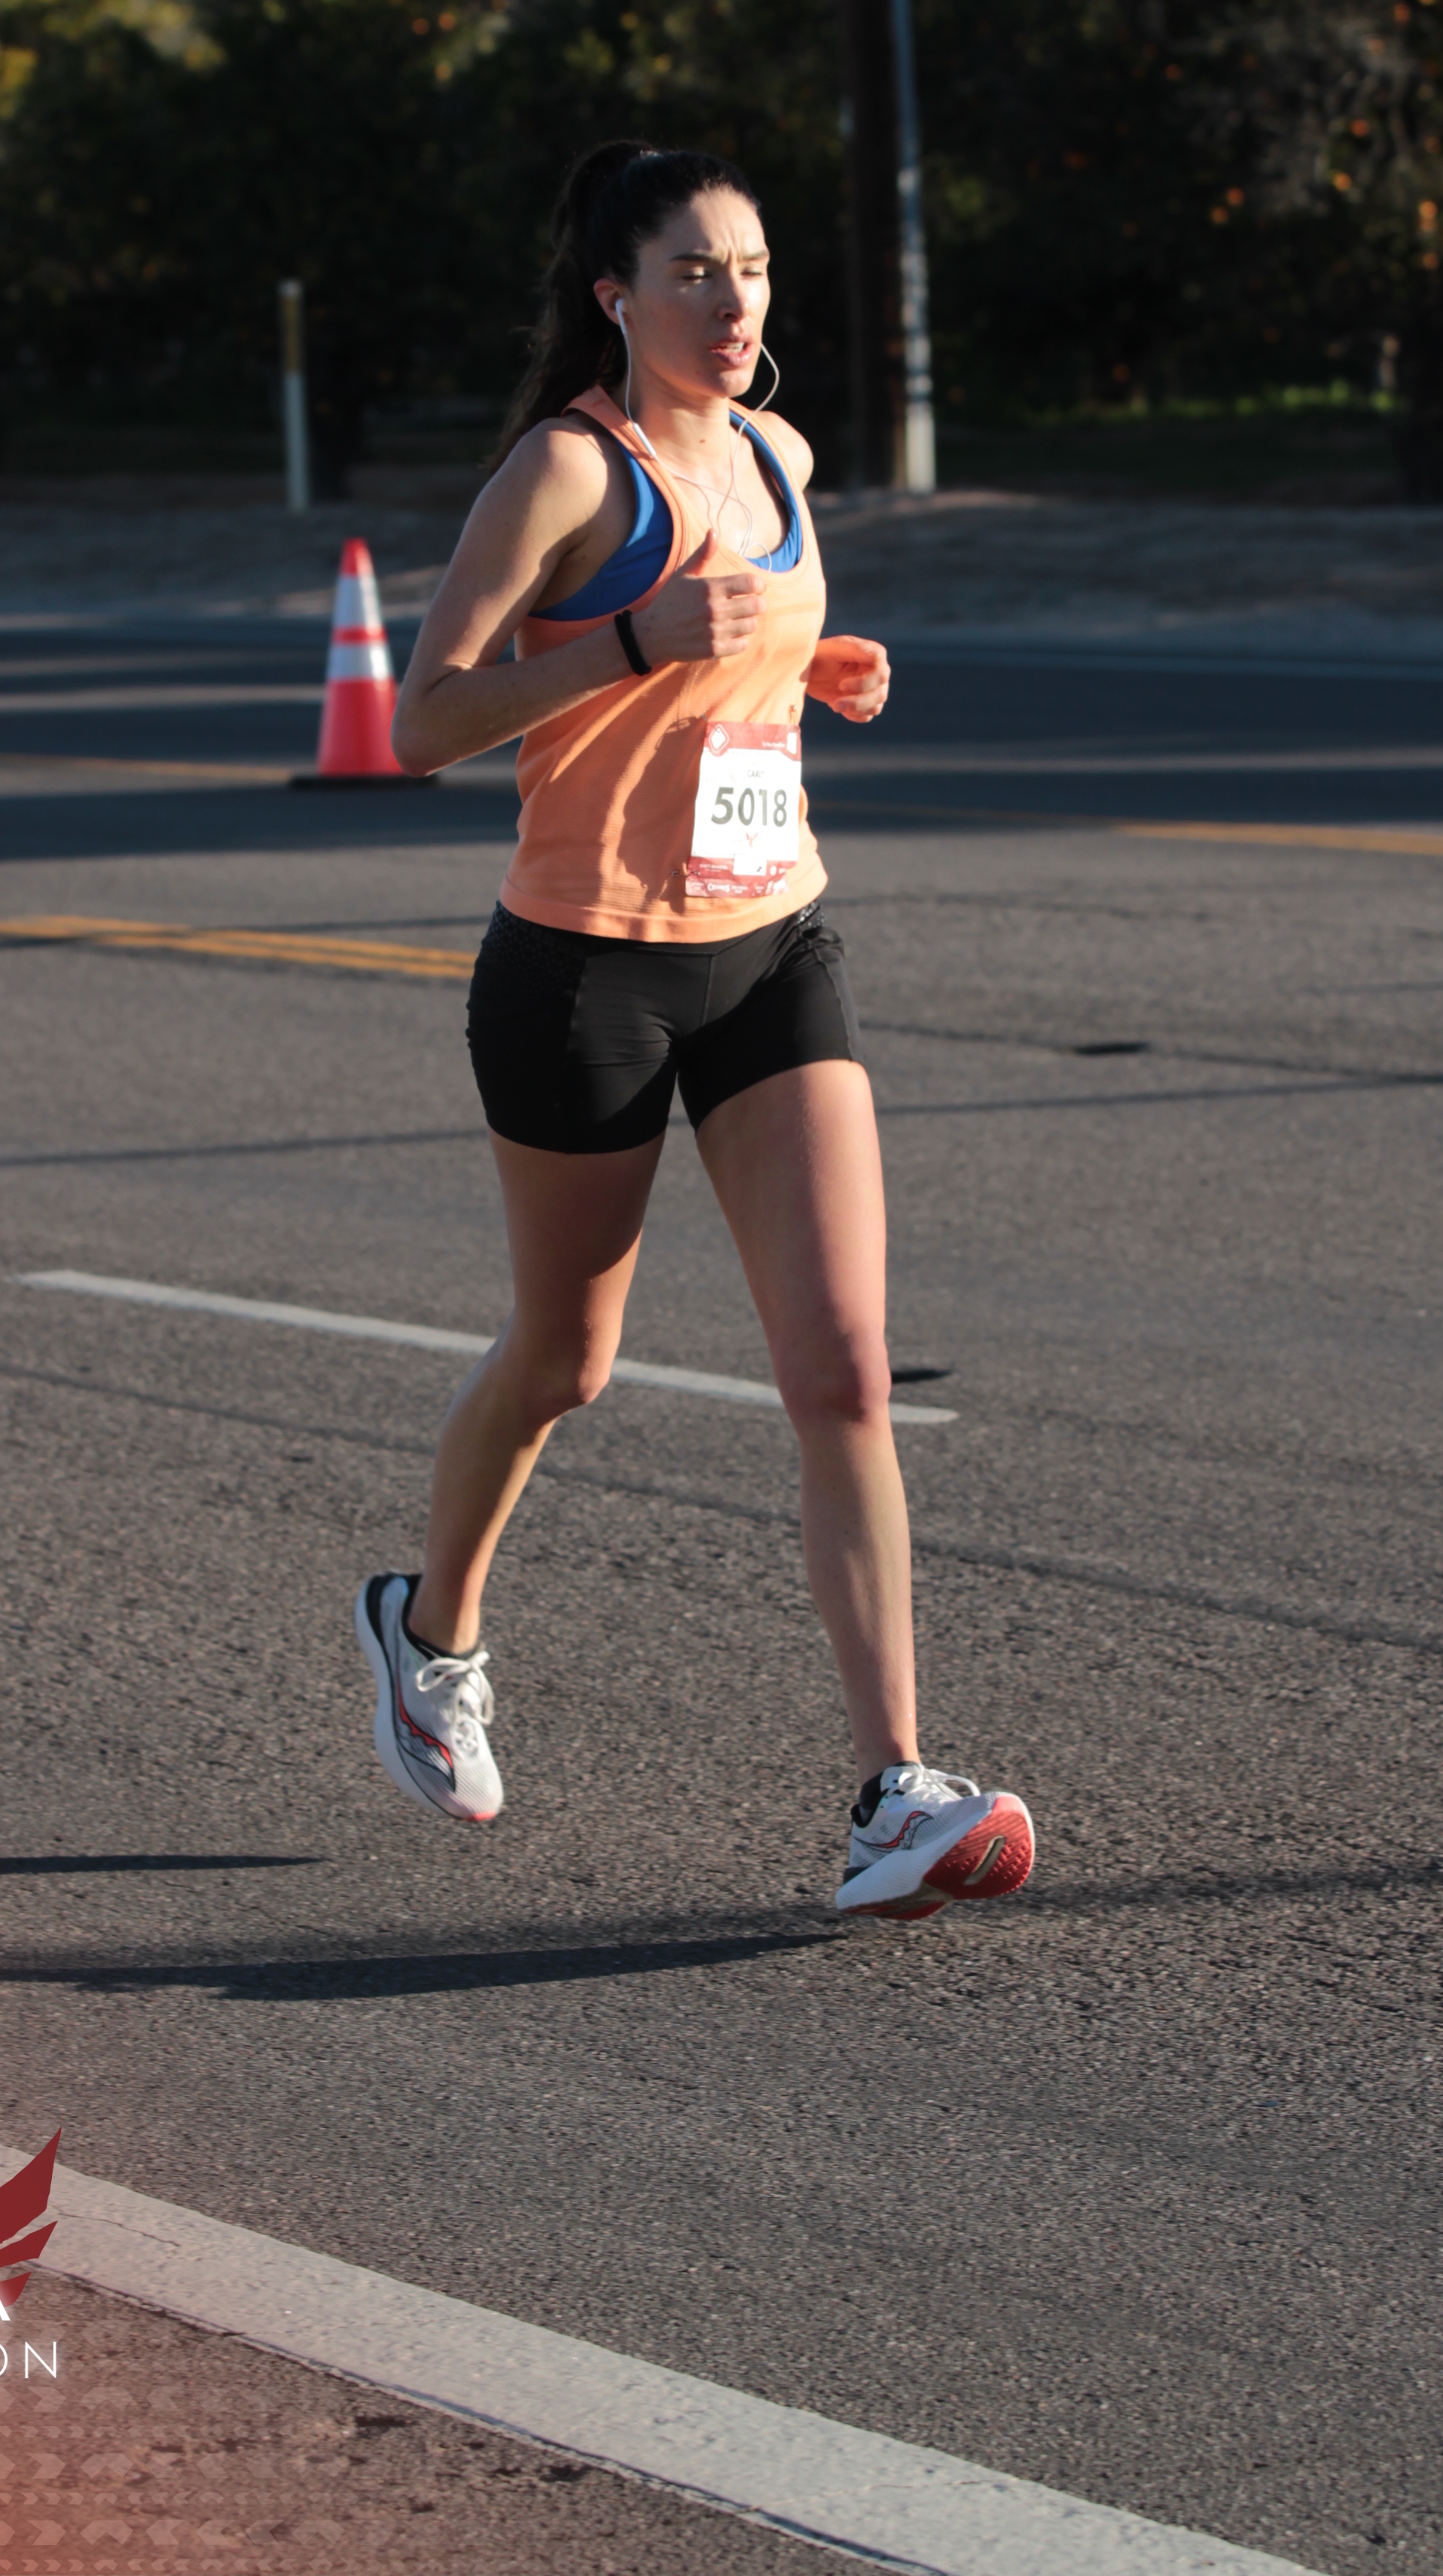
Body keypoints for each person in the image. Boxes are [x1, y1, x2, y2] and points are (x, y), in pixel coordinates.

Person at [357, 139, 1033, 1921]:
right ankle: (429, 1633)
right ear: (614, 294)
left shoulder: (777, 456)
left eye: (749, 271)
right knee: (564, 1363)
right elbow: (423, 722)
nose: (731, 303)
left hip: (770, 946)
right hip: (584, 971)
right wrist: (634, 643)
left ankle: (894, 1789)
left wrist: (806, 662)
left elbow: (742, 636)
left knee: (843, 1370)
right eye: (690, 272)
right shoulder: (566, 471)